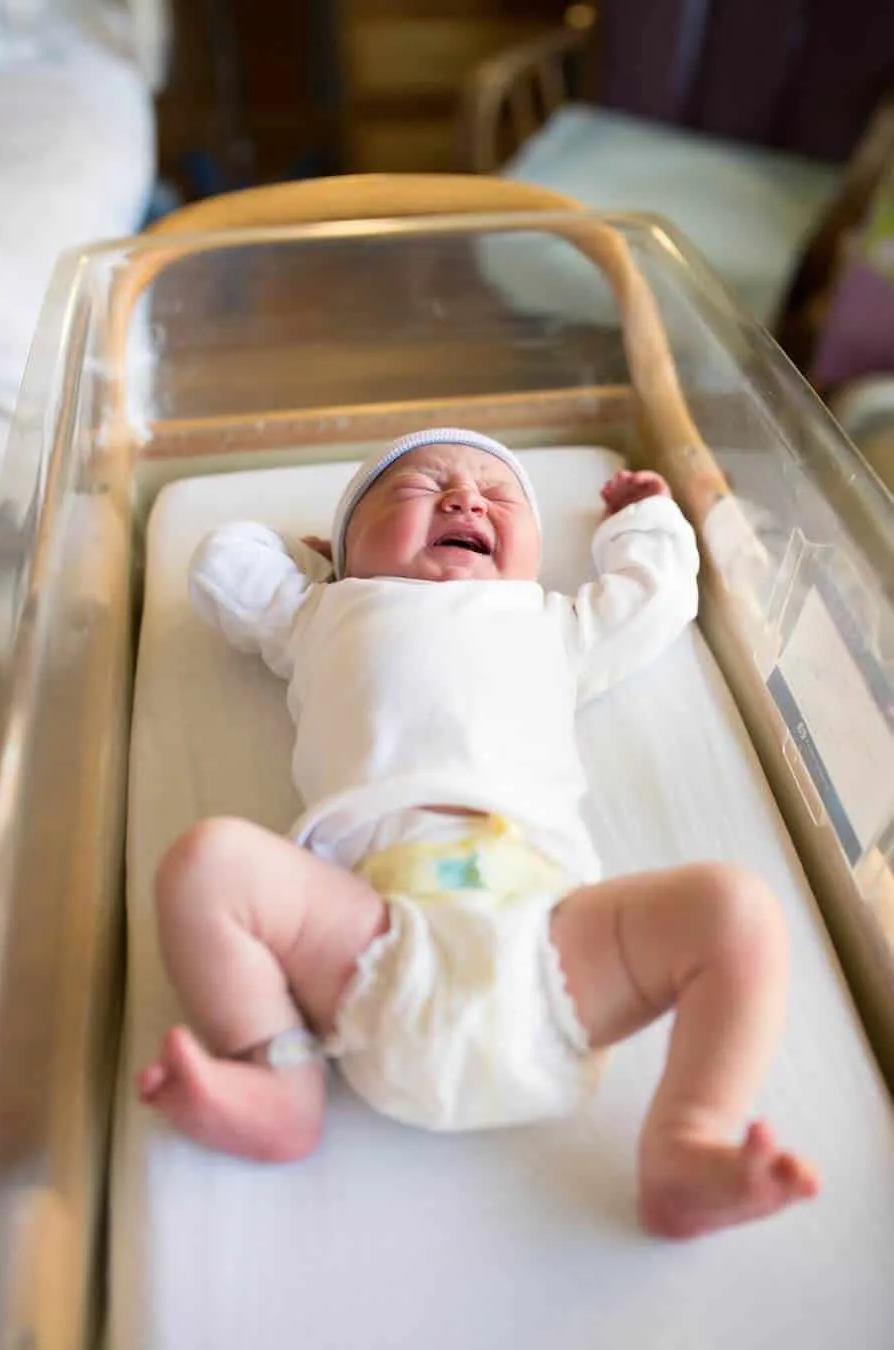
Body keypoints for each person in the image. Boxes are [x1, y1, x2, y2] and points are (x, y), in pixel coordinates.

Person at [138, 426, 819, 1239]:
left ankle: (687, 1138)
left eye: (497, 496)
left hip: (551, 937)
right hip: (368, 920)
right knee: (207, 863)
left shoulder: (553, 622)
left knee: (736, 909)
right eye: (418, 490)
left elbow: (658, 595)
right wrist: (320, 559)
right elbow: (224, 563)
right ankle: (276, 1074)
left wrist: (644, 522)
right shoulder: (321, 610)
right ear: (348, 548)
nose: (465, 499)